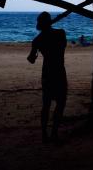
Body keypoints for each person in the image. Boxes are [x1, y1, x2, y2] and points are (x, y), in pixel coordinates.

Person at [27, 12, 67, 143]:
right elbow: (63, 47)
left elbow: (31, 60)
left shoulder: (37, 40)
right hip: (59, 71)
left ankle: (44, 134)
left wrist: (37, 49)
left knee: (46, 104)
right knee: (60, 103)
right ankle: (54, 133)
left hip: (47, 73)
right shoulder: (61, 33)